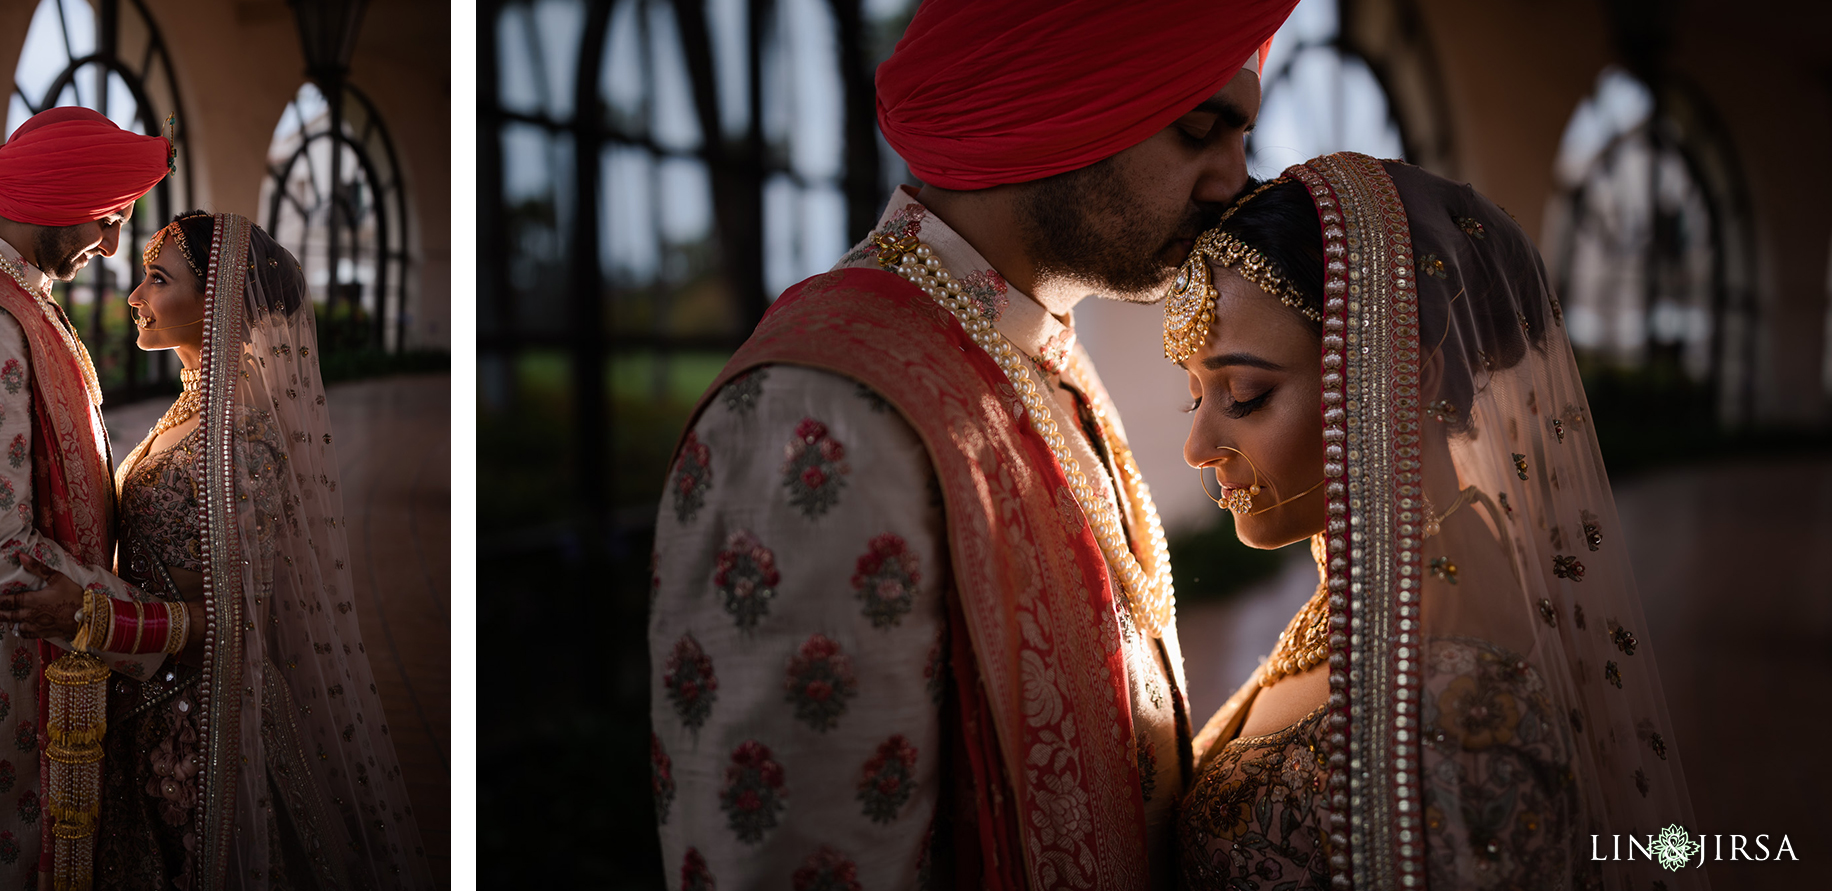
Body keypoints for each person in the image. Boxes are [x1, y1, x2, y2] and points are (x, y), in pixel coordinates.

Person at [647, 1, 1296, 887]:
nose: (1234, 179)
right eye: (1199, 129)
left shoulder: (1035, 353)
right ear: (1056, 96)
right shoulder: (824, 406)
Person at [1164, 152, 1705, 890]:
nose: (1196, 446)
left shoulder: (1461, 700)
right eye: (1191, 395)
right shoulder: (1371, 590)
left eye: (1246, 394)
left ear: (1402, 376)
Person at [0, 211, 433, 887]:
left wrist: (87, 614)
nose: (135, 297)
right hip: (147, 709)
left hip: (199, 742)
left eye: (157, 280)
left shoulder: (243, 444)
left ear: (217, 302)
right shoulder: (189, 413)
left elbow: (236, 625)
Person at [0, 105, 171, 891]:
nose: (113, 245)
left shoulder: (15, 292)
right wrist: (152, 626)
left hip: (28, 653)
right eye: (110, 218)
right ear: (55, 196)